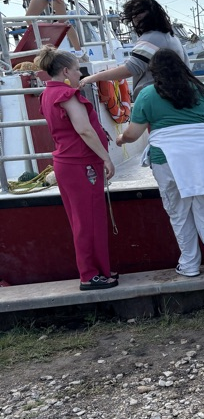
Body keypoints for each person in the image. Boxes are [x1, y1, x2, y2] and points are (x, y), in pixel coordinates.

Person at [116, 49, 204, 278]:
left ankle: (189, 265)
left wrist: (121, 139)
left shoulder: (147, 94)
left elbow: (134, 133)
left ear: (154, 72)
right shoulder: (201, 91)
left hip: (167, 159)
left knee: (179, 212)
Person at [35, 47, 117, 290]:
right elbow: (84, 130)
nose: (79, 74)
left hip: (67, 163)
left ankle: (98, 269)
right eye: (76, 70)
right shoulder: (67, 95)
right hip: (81, 164)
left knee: (82, 220)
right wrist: (106, 158)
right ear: (65, 71)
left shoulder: (47, 94)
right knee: (89, 220)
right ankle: (89, 274)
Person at [79, 0, 190, 99]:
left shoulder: (150, 38)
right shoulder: (171, 36)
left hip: (156, 98)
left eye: (140, 12)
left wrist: (92, 78)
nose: (136, 17)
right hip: (177, 97)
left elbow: (130, 69)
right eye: (133, 14)